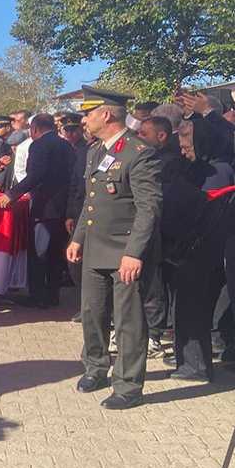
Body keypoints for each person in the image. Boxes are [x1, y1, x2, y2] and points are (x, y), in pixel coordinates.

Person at [66, 86, 163, 410]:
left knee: (128, 321)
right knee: (93, 314)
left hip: (124, 252)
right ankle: (95, 367)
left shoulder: (139, 152)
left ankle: (128, 385)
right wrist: (78, 237)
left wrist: (134, 252)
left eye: (88, 113)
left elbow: (149, 208)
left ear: (105, 114)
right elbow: (91, 202)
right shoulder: (95, 151)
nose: (84, 119)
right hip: (96, 249)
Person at [0, 114, 74, 308]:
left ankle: (37, 296)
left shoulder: (38, 145)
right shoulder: (66, 145)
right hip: (62, 208)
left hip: (44, 208)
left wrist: (12, 194)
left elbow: (36, 175)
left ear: (35, 129)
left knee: (39, 253)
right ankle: (52, 294)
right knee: (56, 254)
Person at [62, 113, 91, 323]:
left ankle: (90, 306)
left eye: (75, 130)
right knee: (76, 263)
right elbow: (73, 185)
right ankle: (85, 304)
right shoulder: (70, 150)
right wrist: (70, 213)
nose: (71, 134)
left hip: (92, 212)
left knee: (86, 263)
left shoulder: (87, 149)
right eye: (67, 130)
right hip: (78, 212)